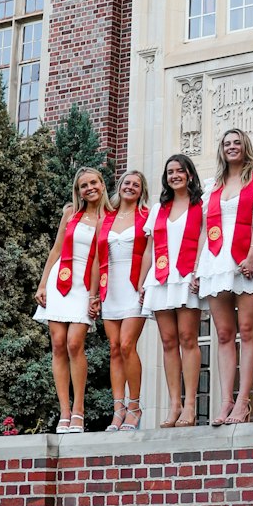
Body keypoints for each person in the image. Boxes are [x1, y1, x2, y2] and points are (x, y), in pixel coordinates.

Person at [197, 128, 253, 425]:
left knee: (248, 329)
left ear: (245, 147)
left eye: (237, 142)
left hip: (245, 258)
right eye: (226, 143)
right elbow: (204, 230)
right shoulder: (211, 186)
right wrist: (196, 269)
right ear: (221, 150)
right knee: (224, 334)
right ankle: (225, 401)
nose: (232, 147)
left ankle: (243, 401)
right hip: (215, 260)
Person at [34, 166, 111, 435]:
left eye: (93, 183)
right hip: (60, 279)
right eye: (83, 186)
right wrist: (43, 283)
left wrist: (95, 294)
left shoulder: (110, 218)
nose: (89, 188)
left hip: (84, 285)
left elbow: (102, 260)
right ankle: (64, 413)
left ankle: (79, 410)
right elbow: (56, 249)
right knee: (57, 345)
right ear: (77, 191)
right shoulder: (71, 214)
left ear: (102, 185)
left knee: (74, 343)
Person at [142, 154, 205, 427]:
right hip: (161, 277)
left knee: (188, 338)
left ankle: (191, 405)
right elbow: (149, 248)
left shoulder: (201, 205)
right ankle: (174, 406)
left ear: (190, 174)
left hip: (187, 275)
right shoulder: (159, 208)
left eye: (180, 170)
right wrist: (144, 282)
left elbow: (205, 238)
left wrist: (200, 271)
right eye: (170, 172)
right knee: (168, 342)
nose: (175, 175)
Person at [88, 169, 150, 433]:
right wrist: (93, 294)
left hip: (134, 285)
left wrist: (146, 283)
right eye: (127, 183)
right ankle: (118, 410)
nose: (130, 187)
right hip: (110, 287)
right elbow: (96, 259)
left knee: (127, 345)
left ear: (141, 190)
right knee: (114, 347)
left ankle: (134, 407)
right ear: (120, 186)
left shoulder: (146, 217)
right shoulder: (107, 218)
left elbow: (151, 251)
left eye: (136, 184)